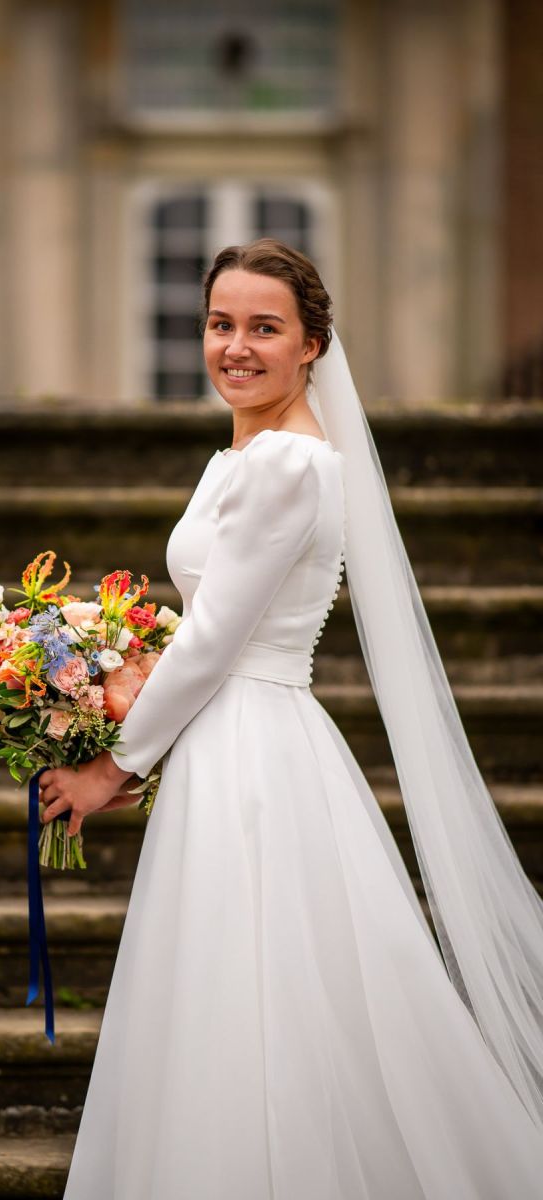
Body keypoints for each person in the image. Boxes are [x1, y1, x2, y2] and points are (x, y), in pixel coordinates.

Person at [38, 239, 543, 1198]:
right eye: (221, 324)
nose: (236, 346)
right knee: (234, 991)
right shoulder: (246, 452)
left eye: (263, 328)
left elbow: (221, 637)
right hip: (229, 737)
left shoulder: (291, 463)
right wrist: (116, 666)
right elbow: (208, 620)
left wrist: (115, 767)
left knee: (255, 991)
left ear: (312, 344)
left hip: (254, 750)